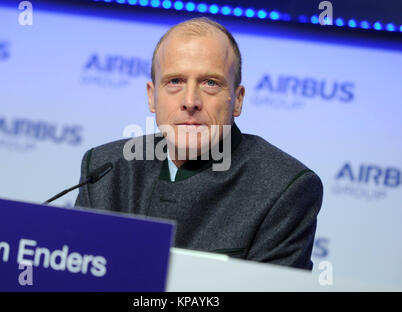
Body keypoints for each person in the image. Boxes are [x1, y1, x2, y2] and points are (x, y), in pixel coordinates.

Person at [75, 17, 323, 270]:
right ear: (152, 96)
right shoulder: (105, 168)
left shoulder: (285, 188)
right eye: (175, 82)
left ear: (237, 100)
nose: (190, 101)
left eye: (210, 83)